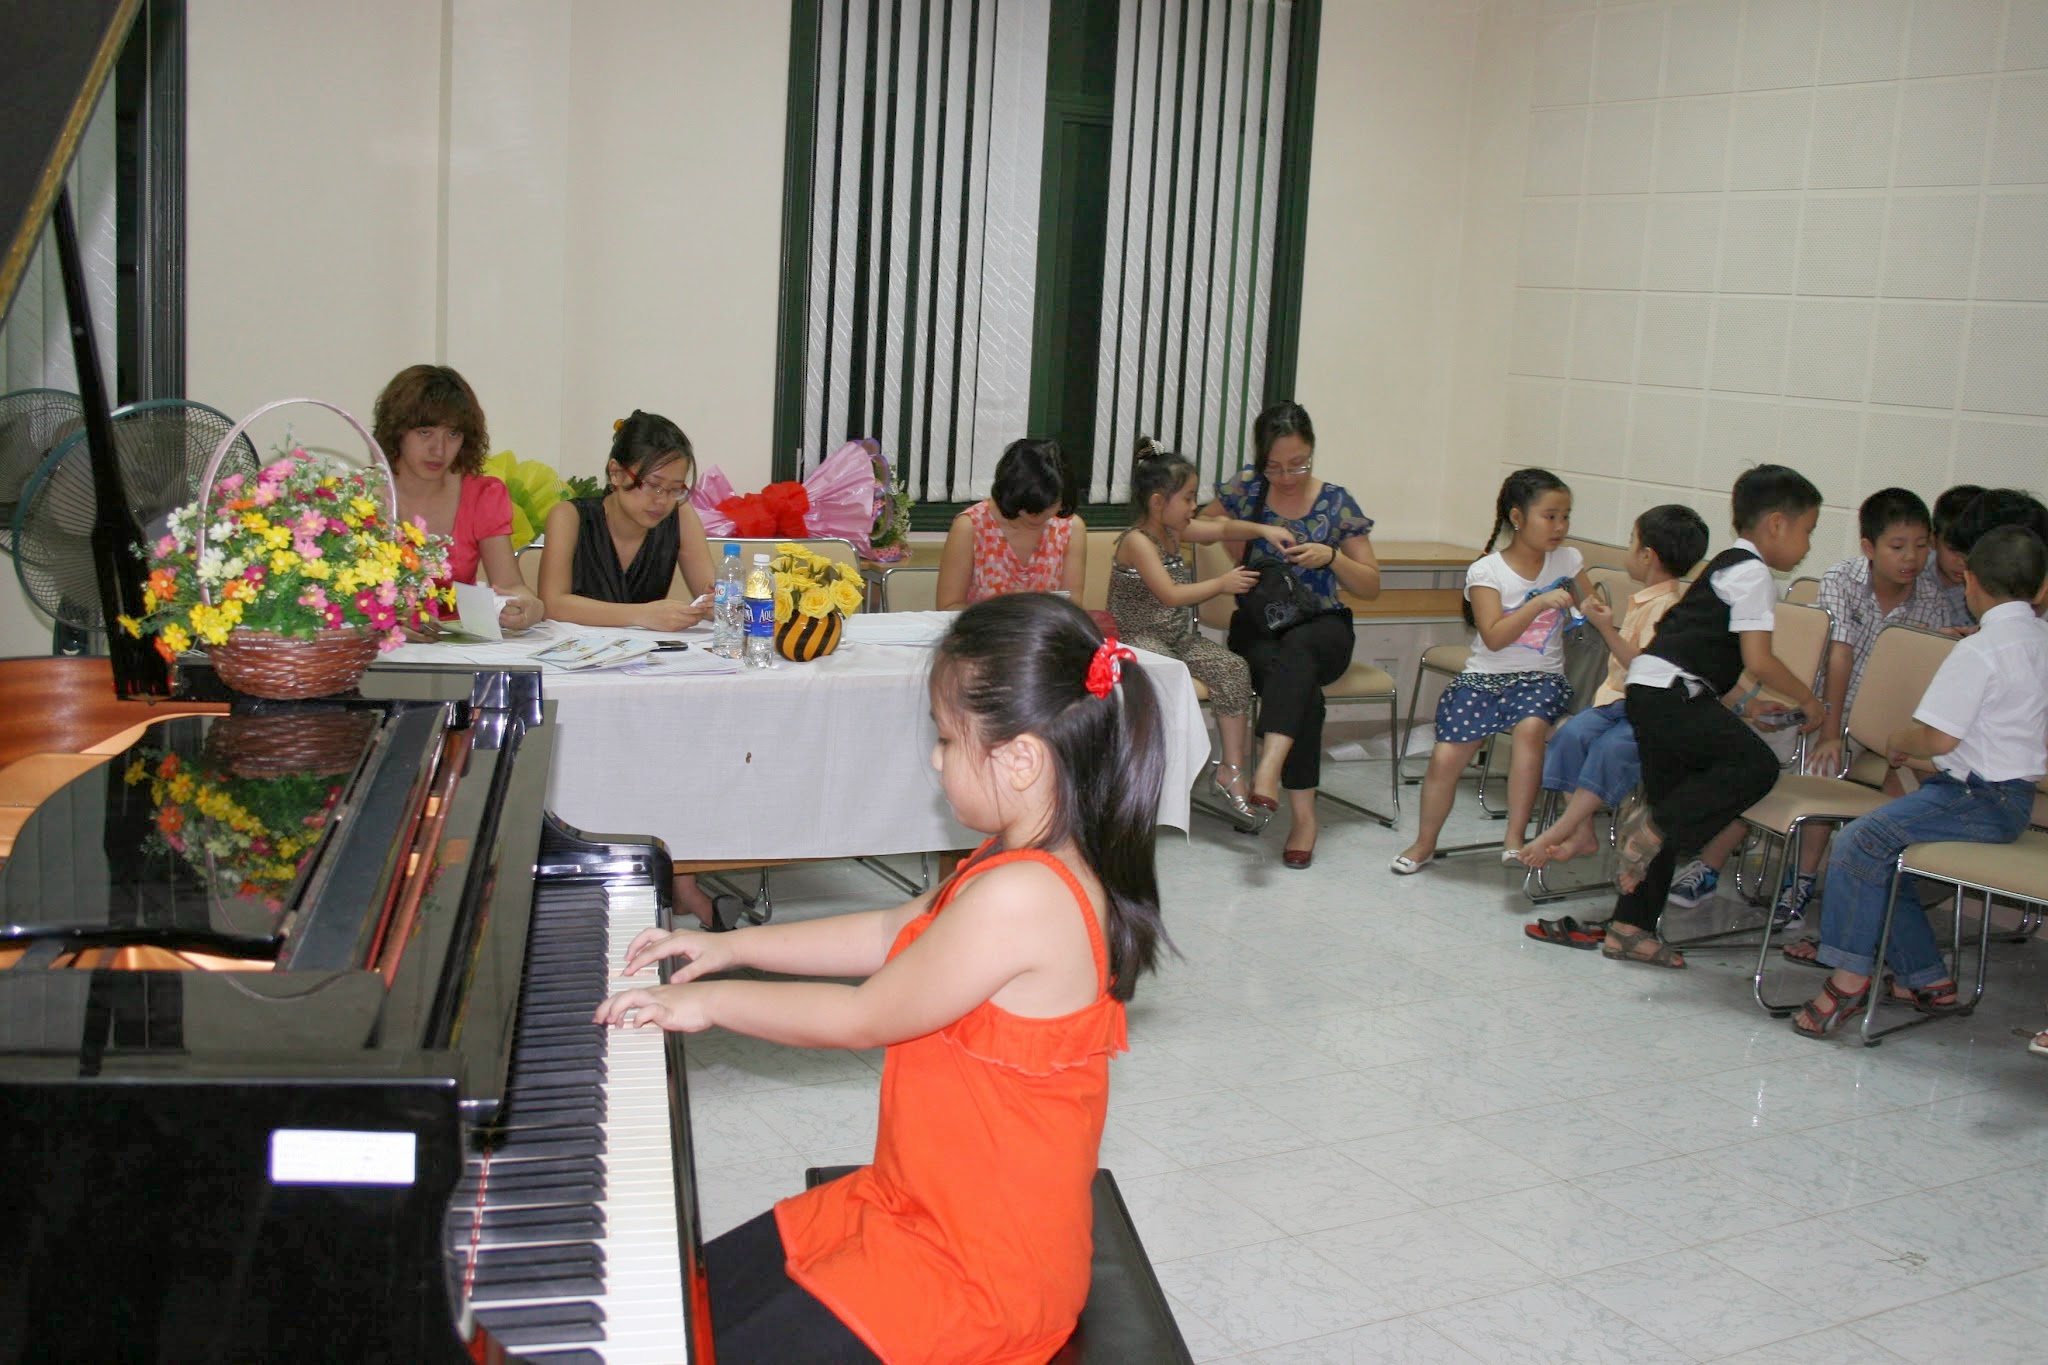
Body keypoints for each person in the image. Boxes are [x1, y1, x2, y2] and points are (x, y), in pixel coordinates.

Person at [594, 594, 1166, 1365]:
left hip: (980, 1268)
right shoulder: (1015, 856)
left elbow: (864, 1016)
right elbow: (890, 931)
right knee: (683, 1306)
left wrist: (708, 1002)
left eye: (946, 738)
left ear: (1022, 758)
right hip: (914, 1201)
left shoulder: (1026, 895)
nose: (935, 759)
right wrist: (729, 947)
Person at [1790, 526, 2048, 1036]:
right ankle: (1925, 979)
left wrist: (1898, 741)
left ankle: (1848, 979)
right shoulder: (2038, 640)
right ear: (2040, 587)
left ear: (1970, 581)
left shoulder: (1980, 650)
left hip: (1975, 796)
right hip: (2007, 799)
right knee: (1886, 859)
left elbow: (1937, 738)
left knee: (1860, 842)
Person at [1599, 464, 1827, 969]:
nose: (1808, 545)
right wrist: (1809, 700)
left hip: (1653, 689)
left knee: (1671, 802)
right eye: (1808, 530)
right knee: (1756, 767)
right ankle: (1652, 829)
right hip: (1672, 694)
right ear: (1777, 524)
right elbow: (1759, 660)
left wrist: (1747, 705)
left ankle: (1628, 929)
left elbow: (1700, 651)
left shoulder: (1726, 565)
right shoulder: (1754, 573)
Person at [1205, 401, 1380, 869]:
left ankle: (1268, 767)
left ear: (1313, 451)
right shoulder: (1247, 488)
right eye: (1275, 466)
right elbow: (1195, 527)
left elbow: (1371, 585)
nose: (1286, 476)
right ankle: (1304, 818)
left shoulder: (1337, 502)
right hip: (1260, 627)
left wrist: (1332, 557)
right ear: (1260, 458)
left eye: (1298, 464)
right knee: (1302, 689)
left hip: (1324, 627)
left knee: (1300, 650)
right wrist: (1249, 533)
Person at [1392, 469, 1586, 873]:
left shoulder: (1568, 560)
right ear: (1517, 517)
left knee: (1531, 730)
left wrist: (1595, 610)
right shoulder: (1487, 571)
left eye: (1565, 517)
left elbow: (1589, 609)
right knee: (1446, 756)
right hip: (1484, 678)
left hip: (1541, 677)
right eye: (1550, 516)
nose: (1560, 526)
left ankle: (1514, 838)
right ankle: (1424, 843)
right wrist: (1537, 603)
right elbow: (1494, 637)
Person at [1109, 438, 1295, 831]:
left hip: (1176, 638)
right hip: (1137, 640)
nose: (1195, 506)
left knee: (1233, 669)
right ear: (1158, 502)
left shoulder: (1176, 529)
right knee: (1173, 676)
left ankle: (1230, 771)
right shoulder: (1137, 542)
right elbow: (1171, 594)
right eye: (1188, 498)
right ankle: (1151, 779)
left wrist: (1263, 529)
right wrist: (1222, 583)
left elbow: (1222, 528)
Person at [1517, 504, 1707, 872]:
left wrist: (1605, 628)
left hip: (1644, 710)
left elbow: (1642, 666)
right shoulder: (1645, 600)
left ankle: (1562, 828)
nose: (1628, 550)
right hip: (1615, 703)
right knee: (1568, 735)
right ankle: (1583, 832)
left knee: (1609, 749)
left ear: (1647, 555)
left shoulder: (1667, 607)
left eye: (1632, 542)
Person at [371, 364, 544, 631]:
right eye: (425, 432)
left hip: (455, 647)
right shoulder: (360, 498)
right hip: (380, 645)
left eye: (453, 434)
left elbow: (511, 586)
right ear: (396, 431)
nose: (439, 450)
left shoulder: (482, 495)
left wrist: (530, 607)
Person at [537, 410, 715, 630]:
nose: (662, 500)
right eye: (652, 485)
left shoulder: (681, 515)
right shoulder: (569, 516)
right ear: (616, 473)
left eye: (675, 489)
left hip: (650, 650)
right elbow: (552, 604)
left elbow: (711, 593)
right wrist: (643, 615)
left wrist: (715, 604)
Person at [935, 438, 1086, 609]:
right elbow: (948, 606)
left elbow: (1073, 606)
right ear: (1010, 494)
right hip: (983, 625)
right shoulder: (971, 526)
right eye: (1029, 508)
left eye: (1049, 507)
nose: (1037, 517)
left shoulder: (1071, 528)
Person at [1923, 483, 1983, 627]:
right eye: (1954, 550)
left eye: (1972, 552)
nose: (1963, 562)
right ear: (1932, 540)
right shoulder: (1913, 575)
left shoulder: (1990, 586)